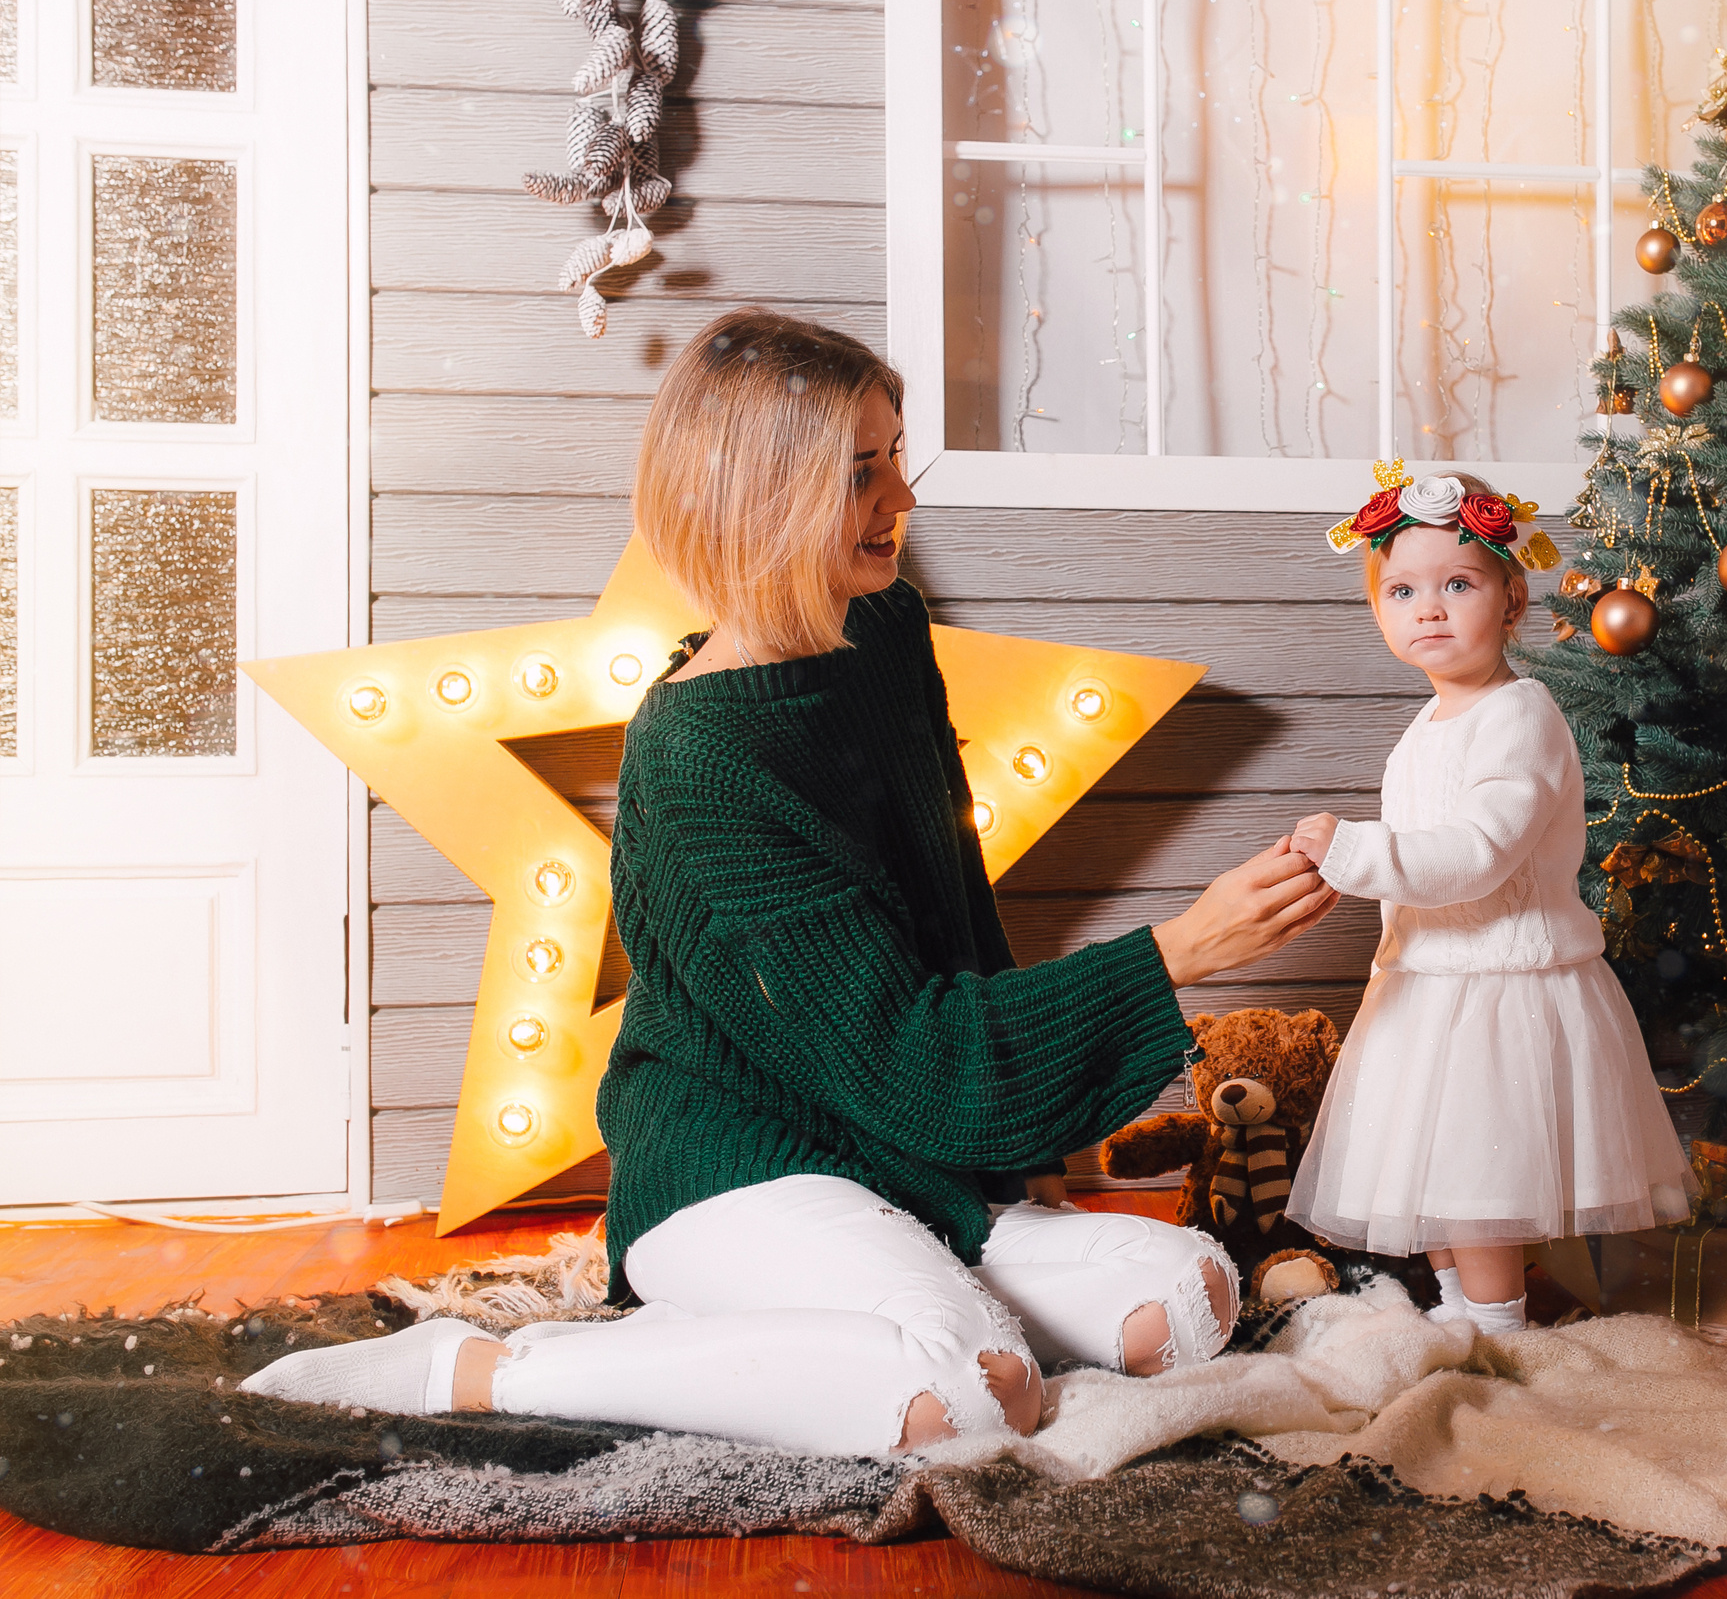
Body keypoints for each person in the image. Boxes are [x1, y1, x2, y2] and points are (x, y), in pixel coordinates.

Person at [245, 309, 1337, 1456]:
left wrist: (1012, 1172)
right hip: (736, 1162)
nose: (901, 498)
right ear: (762, 493)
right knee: (972, 1391)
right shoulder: (704, 754)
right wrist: (1183, 952)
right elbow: (907, 1051)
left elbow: (950, 921)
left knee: (1187, 1297)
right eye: (862, 471)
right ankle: (491, 1369)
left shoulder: (886, 631)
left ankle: (868, 1301)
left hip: (892, 1140)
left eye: (895, 457)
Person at [1283, 468, 1695, 1334]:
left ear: (1512, 601)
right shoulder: (1426, 725)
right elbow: (1420, 864)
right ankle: (1458, 1311)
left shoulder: (1521, 714)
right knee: (1426, 1167)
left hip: (1503, 981)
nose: (1427, 608)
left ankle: (1500, 1319)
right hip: (1428, 977)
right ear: (1379, 610)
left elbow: (1474, 854)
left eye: (1457, 584)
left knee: (1476, 1167)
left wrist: (1355, 850)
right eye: (1402, 590)